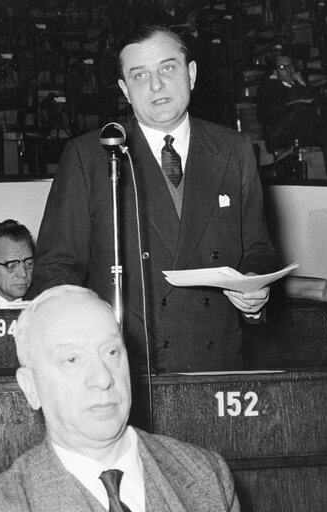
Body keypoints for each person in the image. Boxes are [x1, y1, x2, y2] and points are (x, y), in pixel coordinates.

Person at [29, 25, 277, 373]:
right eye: (140, 75)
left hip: (219, 361)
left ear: (190, 74)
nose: (156, 85)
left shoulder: (235, 149)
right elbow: (56, 270)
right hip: (127, 368)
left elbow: (258, 246)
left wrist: (255, 290)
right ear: (125, 91)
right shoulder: (89, 156)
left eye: (167, 68)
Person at [0, 285, 240, 511]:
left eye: (111, 352)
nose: (103, 378)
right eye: (72, 359)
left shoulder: (207, 476)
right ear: (31, 387)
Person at [256, 54, 327, 181]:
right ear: (275, 72)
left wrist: (303, 84)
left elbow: (315, 100)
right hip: (283, 130)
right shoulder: (270, 87)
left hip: (303, 126)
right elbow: (266, 115)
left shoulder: (299, 84)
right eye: (283, 67)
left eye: (291, 66)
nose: (289, 70)